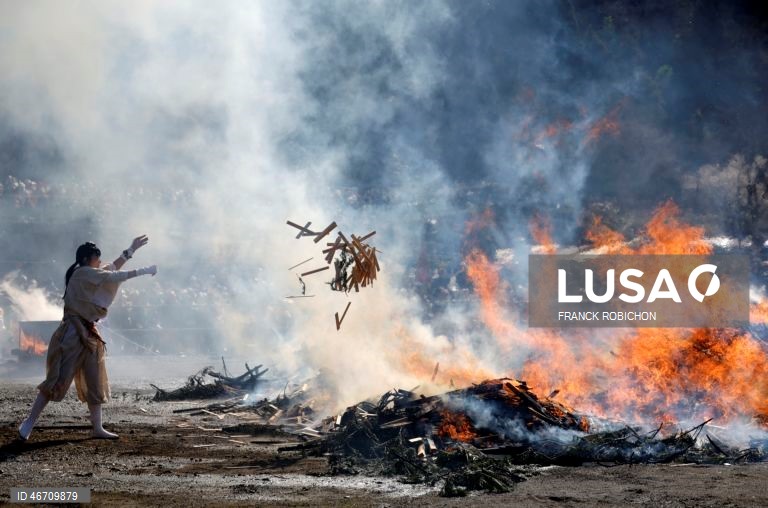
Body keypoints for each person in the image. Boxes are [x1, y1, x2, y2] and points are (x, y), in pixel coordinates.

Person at [17, 235, 157, 440]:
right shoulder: (82, 274)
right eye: (96, 258)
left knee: (94, 380)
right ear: (87, 259)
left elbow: (110, 269)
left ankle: (97, 428)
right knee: (57, 380)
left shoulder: (90, 273)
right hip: (73, 333)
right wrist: (144, 271)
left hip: (89, 332)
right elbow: (112, 276)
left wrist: (130, 250)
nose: (99, 262)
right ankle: (28, 423)